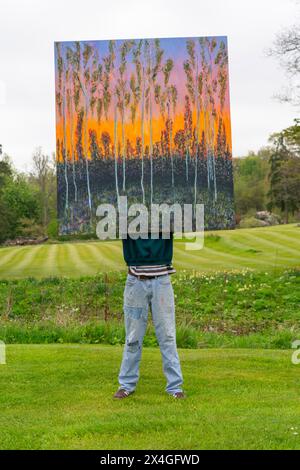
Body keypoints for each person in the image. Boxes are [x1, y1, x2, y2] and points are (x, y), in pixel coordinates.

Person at [113, 232, 185, 399]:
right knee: (133, 337)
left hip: (162, 281)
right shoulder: (129, 215)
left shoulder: (165, 213)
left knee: (167, 335)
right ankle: (126, 385)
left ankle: (175, 387)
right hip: (135, 281)